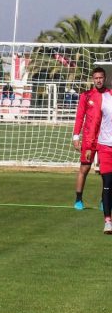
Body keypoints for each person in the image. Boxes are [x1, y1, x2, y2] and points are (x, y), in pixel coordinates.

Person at [72, 67, 107, 210]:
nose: (98, 80)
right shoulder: (85, 96)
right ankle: (78, 200)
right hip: (89, 139)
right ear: (93, 79)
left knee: (107, 172)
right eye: (96, 78)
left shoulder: (109, 95)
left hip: (106, 138)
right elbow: (80, 117)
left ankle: (104, 201)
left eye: (101, 77)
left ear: (104, 78)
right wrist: (76, 136)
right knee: (84, 168)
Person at [85, 78, 112, 233]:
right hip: (105, 146)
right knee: (108, 182)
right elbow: (94, 123)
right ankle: (108, 221)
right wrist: (89, 146)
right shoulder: (104, 98)